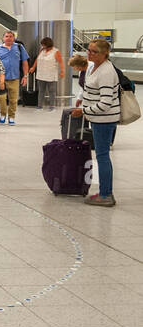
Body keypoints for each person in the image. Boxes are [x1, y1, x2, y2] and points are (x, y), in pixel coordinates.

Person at [69, 39, 121, 207]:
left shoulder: (106, 72)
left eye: (94, 52)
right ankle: (105, 191)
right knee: (102, 155)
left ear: (104, 54)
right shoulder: (94, 67)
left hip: (104, 121)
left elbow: (106, 103)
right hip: (98, 119)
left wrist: (84, 110)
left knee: (103, 156)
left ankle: (106, 195)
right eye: (89, 50)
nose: (89, 54)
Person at [0, 30, 29, 126]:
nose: (9, 38)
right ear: (3, 38)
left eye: (11, 36)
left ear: (14, 38)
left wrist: (25, 76)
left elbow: (25, 63)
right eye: (7, 36)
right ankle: (3, 114)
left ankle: (11, 117)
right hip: (1, 78)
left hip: (15, 78)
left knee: (13, 99)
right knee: (1, 98)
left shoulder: (20, 48)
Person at [34, 37, 65, 111]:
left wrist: (62, 71)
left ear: (48, 45)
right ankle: (40, 106)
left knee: (52, 91)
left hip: (51, 75)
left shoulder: (56, 51)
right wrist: (33, 67)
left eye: (44, 45)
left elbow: (61, 62)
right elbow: (37, 59)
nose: (43, 47)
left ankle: (52, 106)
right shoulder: (42, 50)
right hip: (41, 74)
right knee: (41, 91)